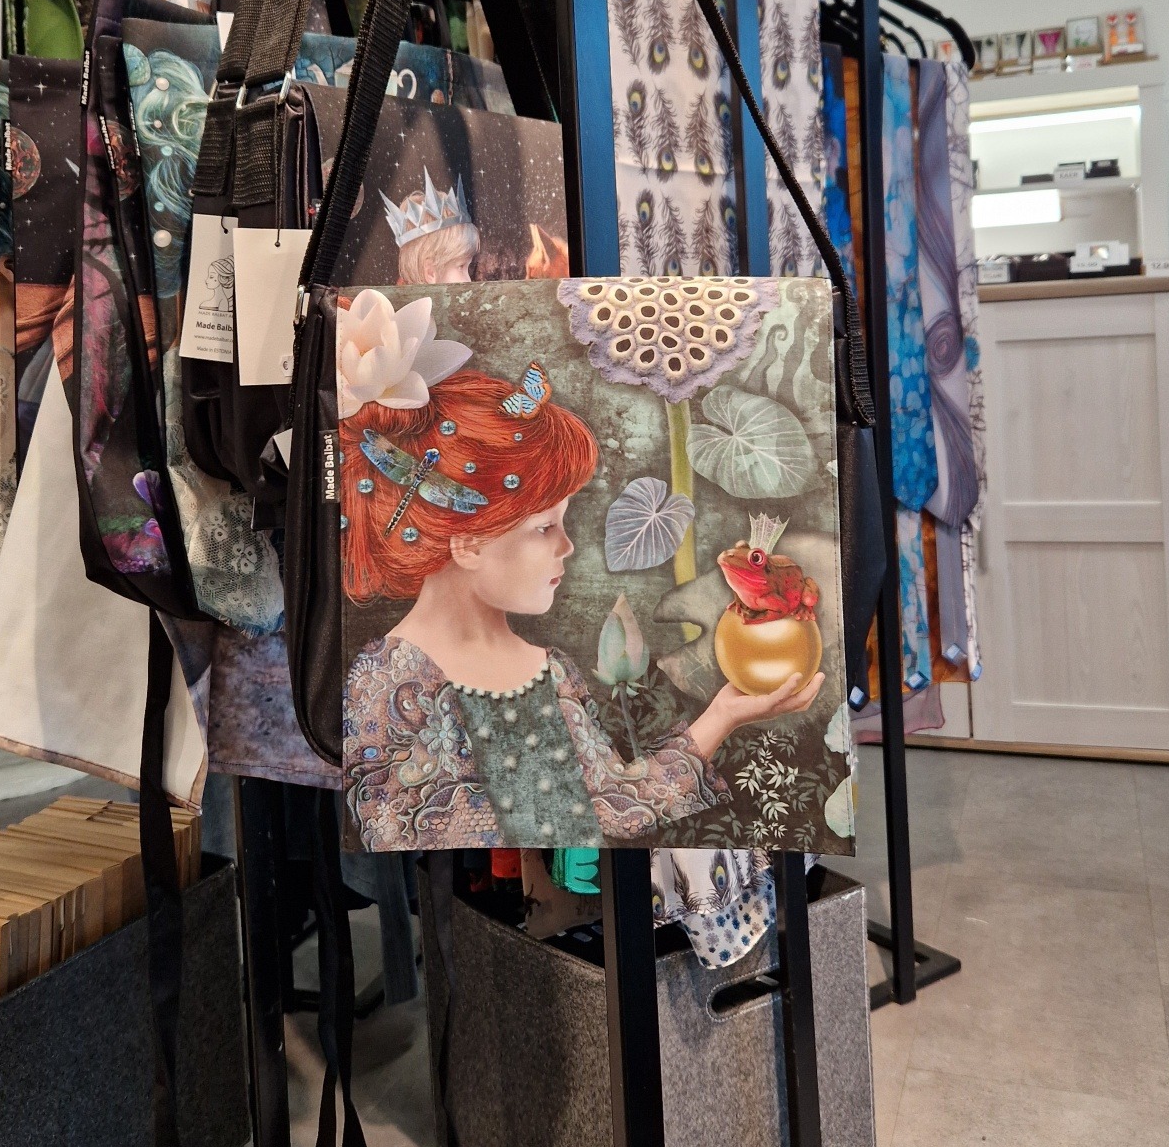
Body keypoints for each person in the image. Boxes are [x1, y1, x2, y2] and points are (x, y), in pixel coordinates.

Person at [337, 291, 822, 850]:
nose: (567, 547)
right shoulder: (388, 681)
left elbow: (614, 805)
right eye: (544, 527)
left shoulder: (550, 670)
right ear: (467, 543)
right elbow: (391, 828)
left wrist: (724, 714)